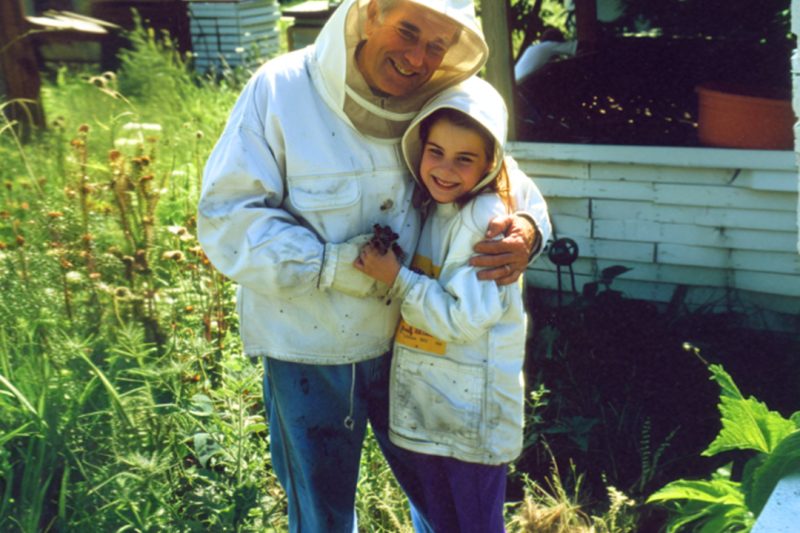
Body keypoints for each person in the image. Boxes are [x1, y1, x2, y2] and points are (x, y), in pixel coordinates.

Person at [197, 0, 551, 530]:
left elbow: (505, 178)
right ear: (369, 14)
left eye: (436, 45)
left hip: (414, 347)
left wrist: (530, 229)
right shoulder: (281, 90)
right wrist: (335, 266)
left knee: (442, 507)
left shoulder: (441, 99)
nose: (416, 57)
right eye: (407, 31)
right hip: (307, 349)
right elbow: (228, 216)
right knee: (322, 512)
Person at [354, 77, 547, 532]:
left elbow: (465, 319)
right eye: (435, 151)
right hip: (438, 408)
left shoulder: (485, 220)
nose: (444, 169)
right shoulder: (432, 208)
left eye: (465, 159)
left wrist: (397, 279)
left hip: (473, 416)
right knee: (441, 522)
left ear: (490, 164)